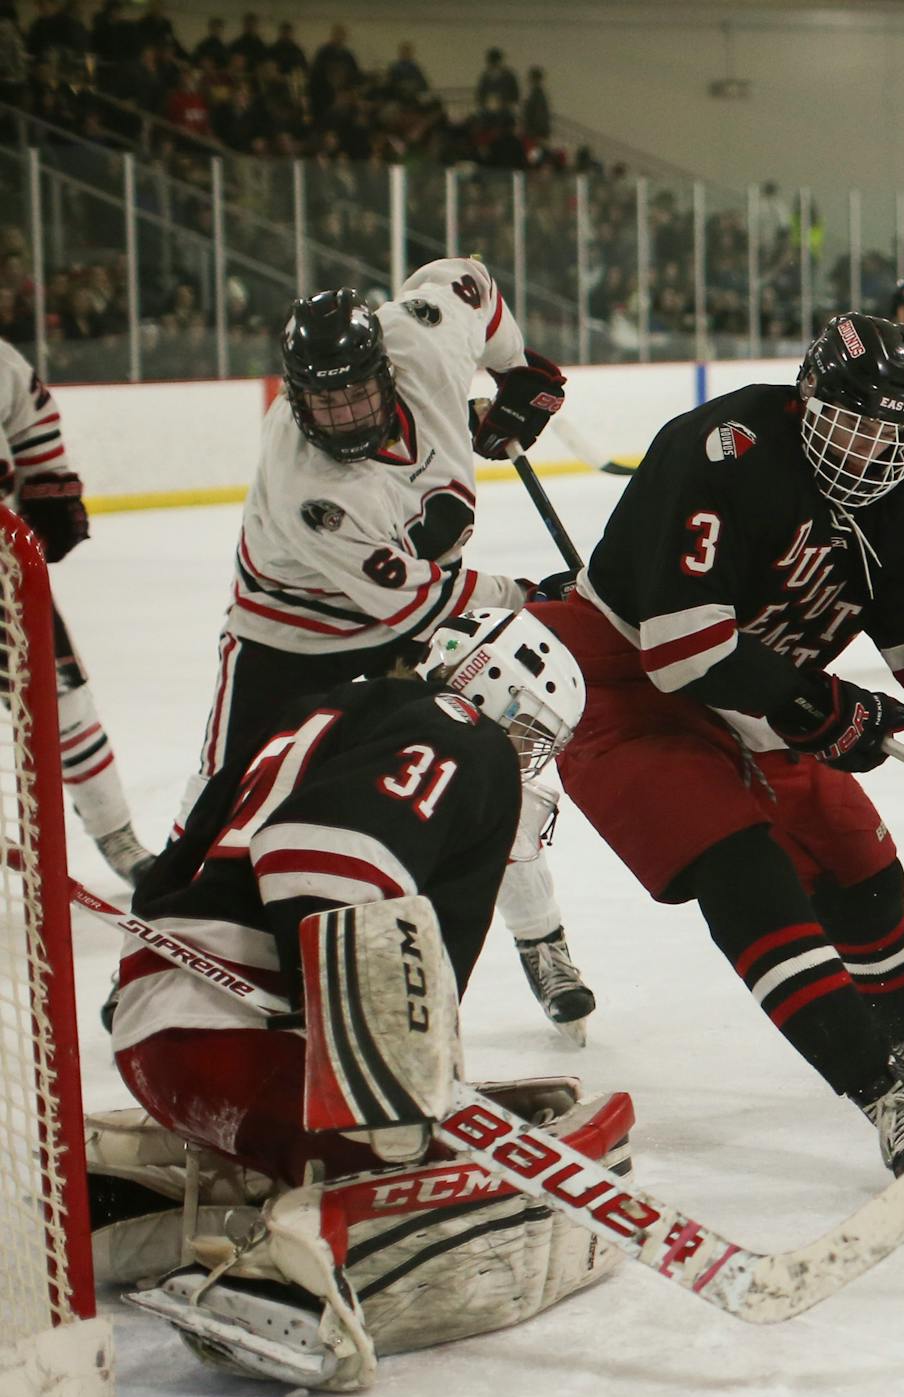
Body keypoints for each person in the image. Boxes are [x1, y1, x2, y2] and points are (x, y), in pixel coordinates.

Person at [528, 313, 904, 1178]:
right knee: (742, 869)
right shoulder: (723, 447)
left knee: (860, 864)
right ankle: (876, 1087)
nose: (870, 451)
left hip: (759, 696)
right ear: (806, 400)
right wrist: (819, 705)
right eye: (852, 422)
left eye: (892, 432)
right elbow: (682, 648)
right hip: (626, 687)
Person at [100, 607, 622, 1393]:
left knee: (330, 1142)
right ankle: (289, 1277)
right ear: (493, 691)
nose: (522, 760)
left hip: (165, 1037)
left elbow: (172, 880)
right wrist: (379, 1069)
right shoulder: (458, 727)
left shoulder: (324, 714)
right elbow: (326, 863)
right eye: (529, 735)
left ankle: (106, 1202)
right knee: (431, 1155)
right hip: (254, 1044)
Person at [182, 259, 598, 1031]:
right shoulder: (311, 486)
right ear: (293, 395)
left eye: (357, 392)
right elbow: (415, 601)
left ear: (386, 370)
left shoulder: (423, 339)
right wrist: (526, 593)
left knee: (482, 767)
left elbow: (469, 282)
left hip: (406, 609)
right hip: (290, 637)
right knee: (226, 793)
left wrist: (517, 373)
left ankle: (544, 942)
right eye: (322, 400)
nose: (341, 415)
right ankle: (181, 934)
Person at [1, 336, 162, 884]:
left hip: (0, 579)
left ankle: (117, 835)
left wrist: (50, 496)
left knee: (62, 700)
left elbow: (34, 429)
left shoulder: (3, 365)